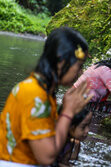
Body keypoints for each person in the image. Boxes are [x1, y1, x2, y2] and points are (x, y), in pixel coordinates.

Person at [0, 27, 93, 166]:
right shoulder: (33, 93)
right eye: (79, 66)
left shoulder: (44, 92)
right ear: (61, 60)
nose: (80, 73)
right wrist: (68, 111)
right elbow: (47, 157)